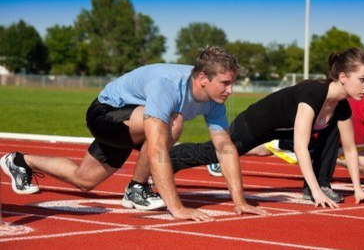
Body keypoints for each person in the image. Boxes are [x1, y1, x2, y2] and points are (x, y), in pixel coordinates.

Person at [0, 46, 266, 222]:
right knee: (172, 122)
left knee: (84, 179)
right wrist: (177, 207)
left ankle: (21, 160)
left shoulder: (213, 100)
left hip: (128, 123)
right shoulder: (168, 86)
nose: (230, 90)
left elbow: (225, 148)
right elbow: (158, 148)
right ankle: (136, 188)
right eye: (226, 83)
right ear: (202, 79)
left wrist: (239, 201)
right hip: (105, 113)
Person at [170, 47, 364, 208]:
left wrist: (358, 189)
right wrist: (318, 193)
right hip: (256, 124)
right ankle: (172, 158)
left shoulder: (341, 107)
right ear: (343, 77)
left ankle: (319, 184)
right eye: (362, 79)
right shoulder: (313, 94)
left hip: (284, 130)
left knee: (331, 133)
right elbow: (301, 147)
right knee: (215, 153)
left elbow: (350, 149)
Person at [221, 92, 364, 190]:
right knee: (266, 148)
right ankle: (219, 154)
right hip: (316, 134)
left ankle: (330, 156)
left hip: (339, 142)